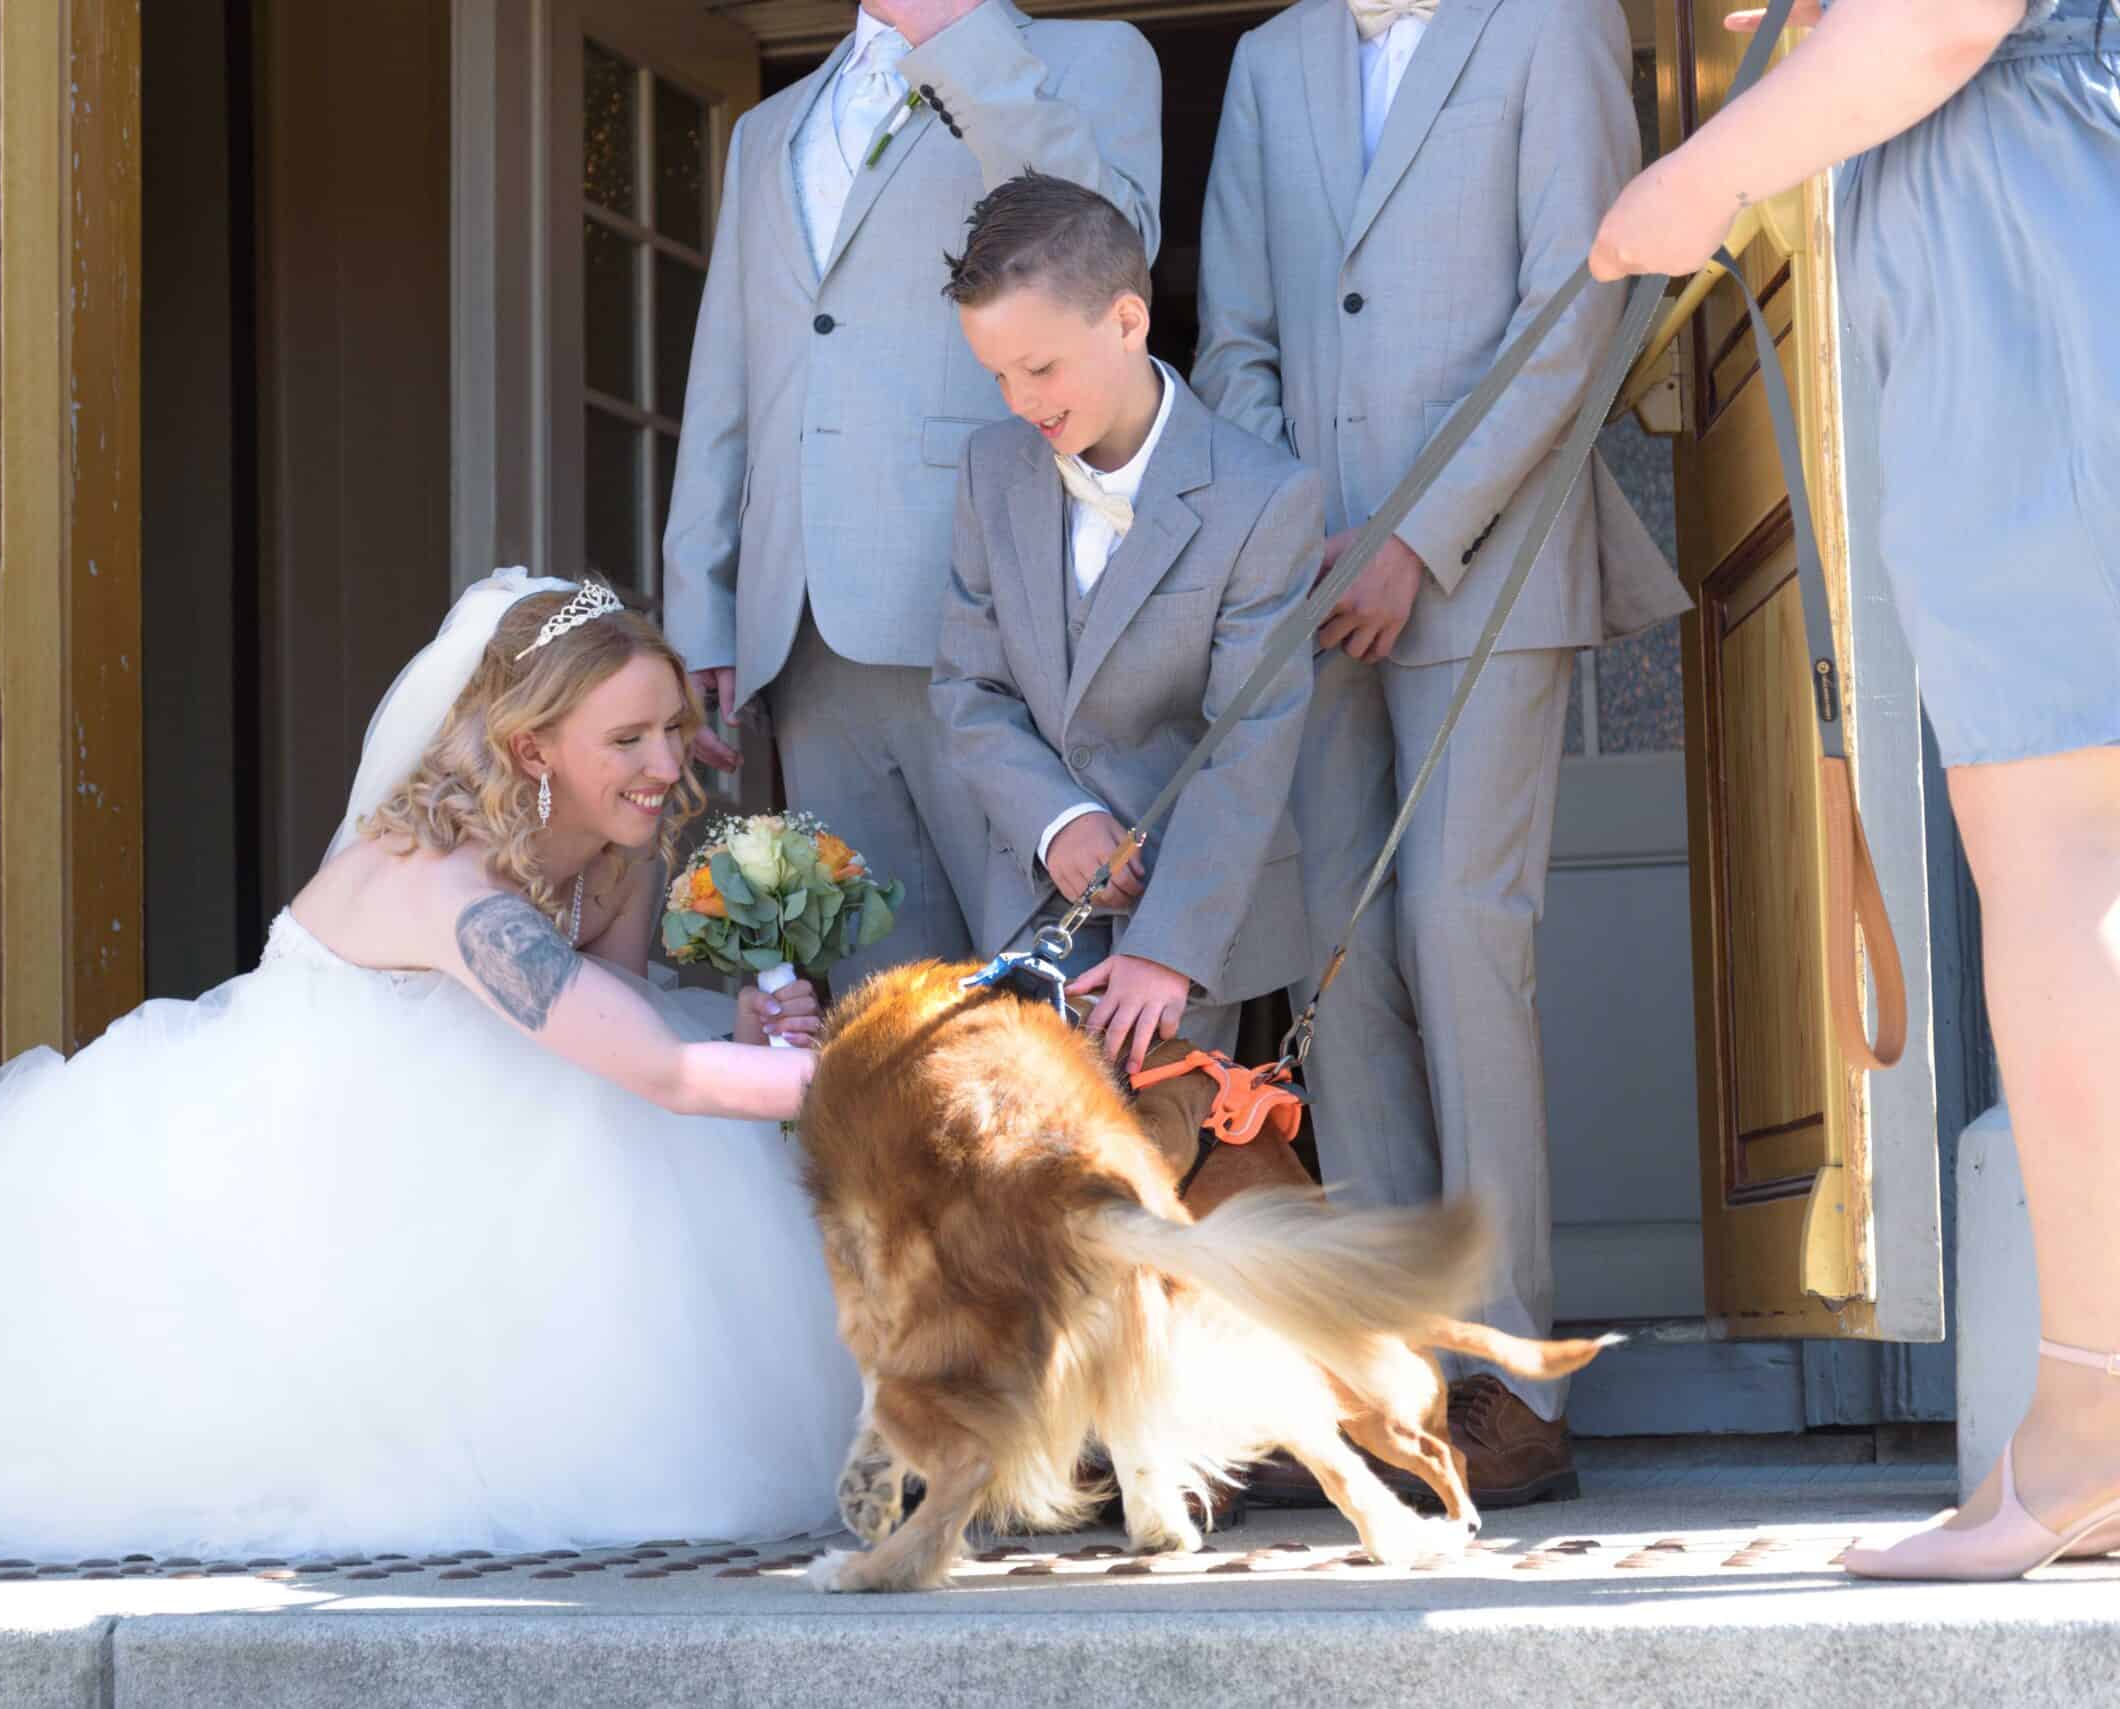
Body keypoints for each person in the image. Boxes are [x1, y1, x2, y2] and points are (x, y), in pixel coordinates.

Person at [0, 572, 860, 1560]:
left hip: (491, 1126)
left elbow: (613, 1025)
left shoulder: (612, 849)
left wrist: (746, 1039)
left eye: (674, 726)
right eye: (628, 738)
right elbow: (665, 1073)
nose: (666, 761)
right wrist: (896, 1076)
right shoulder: (454, 889)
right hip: (316, 1158)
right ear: (532, 747)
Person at [1592, 0, 2120, 1581]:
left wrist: (1699, 175)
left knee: (2062, 852)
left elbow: (1941, 19)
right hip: (2040, 199)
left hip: (2023, 222)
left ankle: (2096, 1424)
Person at [1190, 0, 1690, 1504]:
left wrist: (1412, 534)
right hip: (1307, 585)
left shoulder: (1551, 27)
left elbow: (1576, 307)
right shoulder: (1269, 62)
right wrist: (1294, 537)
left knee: (1462, 938)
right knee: (1339, 970)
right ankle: (1390, 1374)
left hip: (1494, 565)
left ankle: (1511, 1383)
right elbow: (1235, 339)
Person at [663, 0, 1160, 991]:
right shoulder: (768, 128)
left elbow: (1103, 251)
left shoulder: (1093, 57)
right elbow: (729, 373)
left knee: (1050, 996)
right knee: (883, 1008)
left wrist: (953, 31)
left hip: (998, 605)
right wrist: (702, 602)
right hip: (804, 625)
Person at [929, 173, 1322, 1076]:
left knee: (1154, 1158)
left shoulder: (1265, 497)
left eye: (1040, 369)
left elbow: (1249, 742)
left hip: (1185, 930)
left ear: (1127, 321)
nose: (1019, 401)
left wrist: (1167, 947)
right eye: (997, 375)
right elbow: (967, 687)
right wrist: (1056, 819)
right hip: (1030, 909)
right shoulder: (990, 469)